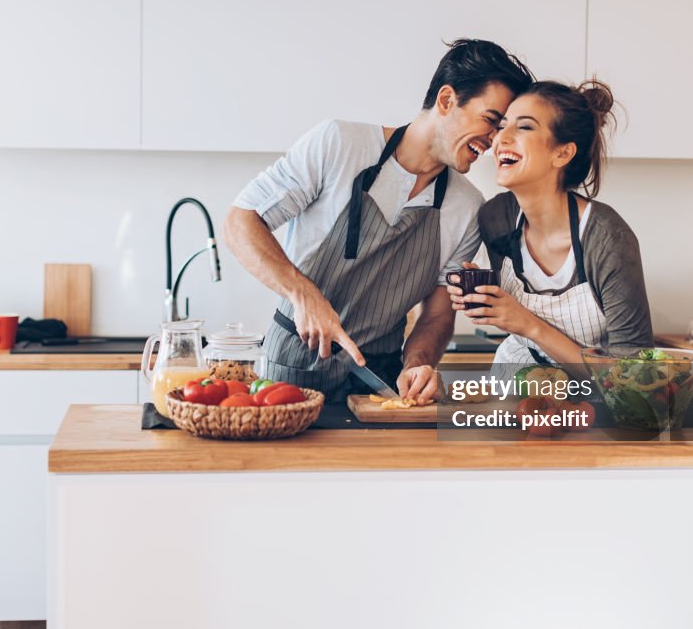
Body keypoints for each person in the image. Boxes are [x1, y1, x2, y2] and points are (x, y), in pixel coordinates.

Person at [225, 39, 535, 403]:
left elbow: (436, 315)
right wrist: (302, 293)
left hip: (379, 381)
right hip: (292, 371)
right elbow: (240, 220)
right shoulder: (339, 145)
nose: (496, 140)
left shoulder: (467, 207)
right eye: (491, 121)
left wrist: (418, 364)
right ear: (447, 100)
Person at [447, 79, 653, 365]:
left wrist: (527, 323)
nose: (500, 138)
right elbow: (512, 322)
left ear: (563, 153)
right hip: (518, 380)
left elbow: (632, 375)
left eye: (524, 126)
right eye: (503, 125)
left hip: (595, 399)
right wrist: (487, 300)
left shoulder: (608, 237)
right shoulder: (496, 218)